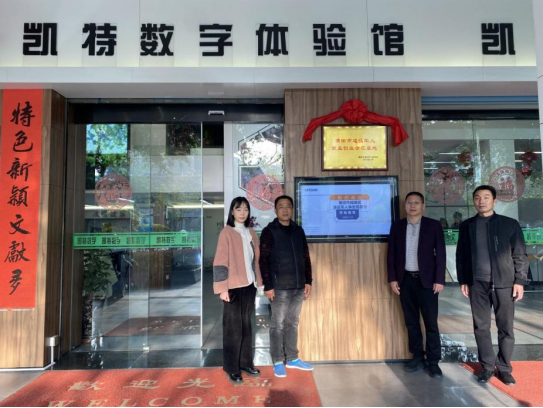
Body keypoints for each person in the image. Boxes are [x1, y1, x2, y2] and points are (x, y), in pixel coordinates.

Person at [456, 186, 529, 386]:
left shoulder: (509, 224)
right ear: (474, 201)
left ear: (494, 201)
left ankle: (504, 368)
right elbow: (461, 255)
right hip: (477, 283)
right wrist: (463, 280)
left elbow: (519, 254)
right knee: (481, 327)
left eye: (486, 197)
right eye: (477, 198)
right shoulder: (467, 226)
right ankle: (487, 366)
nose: (481, 201)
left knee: (506, 327)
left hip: (504, 283)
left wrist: (520, 281)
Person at [388, 192, 446, 379]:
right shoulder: (397, 226)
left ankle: (433, 361)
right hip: (405, 280)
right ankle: (417, 357)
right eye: (409, 203)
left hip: (427, 281)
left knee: (431, 323)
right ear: (405, 206)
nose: (412, 206)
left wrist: (439, 279)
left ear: (423, 206)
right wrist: (393, 278)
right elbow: (391, 254)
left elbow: (441, 253)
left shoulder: (433, 225)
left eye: (416, 203)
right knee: (411, 322)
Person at [259, 195, 314, 378]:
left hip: (298, 286)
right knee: (278, 325)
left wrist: (308, 280)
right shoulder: (269, 231)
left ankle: (292, 358)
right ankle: (277, 360)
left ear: (292, 209)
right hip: (279, 287)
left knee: (292, 323)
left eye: (288, 206)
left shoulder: (298, 230)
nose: (285, 209)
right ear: (275, 210)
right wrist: (268, 285)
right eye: (281, 206)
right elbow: (263, 259)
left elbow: (306, 256)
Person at [213, 197, 263, 383]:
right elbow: (220, 261)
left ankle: (245, 363)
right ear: (232, 212)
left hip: (249, 285)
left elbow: (256, 260)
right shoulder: (226, 232)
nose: (242, 213)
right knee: (232, 329)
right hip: (233, 287)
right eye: (238, 209)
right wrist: (222, 288)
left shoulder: (251, 232)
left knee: (246, 326)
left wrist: (259, 282)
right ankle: (232, 367)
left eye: (245, 209)